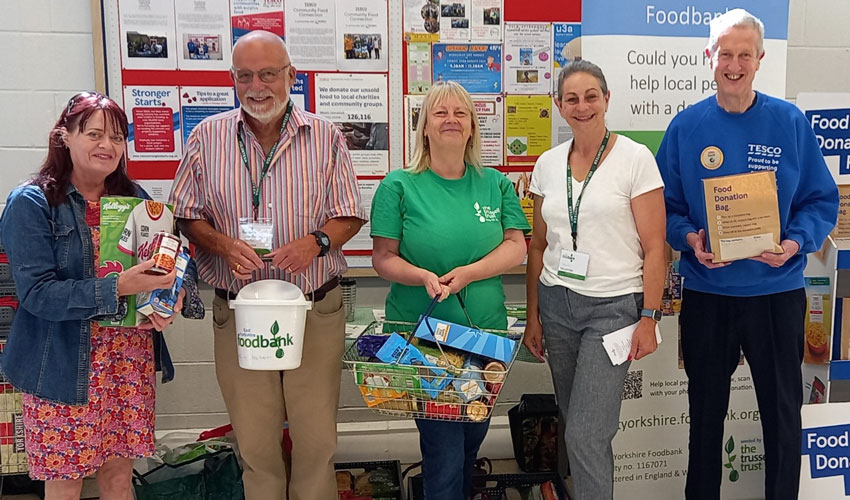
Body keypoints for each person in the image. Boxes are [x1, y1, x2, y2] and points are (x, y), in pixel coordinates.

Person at [169, 30, 366, 500]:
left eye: (269, 74)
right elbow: (185, 213)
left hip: (313, 310)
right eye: (245, 76)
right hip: (239, 312)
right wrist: (219, 244)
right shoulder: (206, 136)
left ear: (291, 76)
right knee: (256, 445)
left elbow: (350, 214)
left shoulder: (325, 136)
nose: (257, 86)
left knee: (316, 443)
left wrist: (315, 243)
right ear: (233, 80)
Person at [656, 9, 839, 500]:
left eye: (744, 54)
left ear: (759, 58)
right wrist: (691, 239)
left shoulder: (790, 122)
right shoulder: (685, 127)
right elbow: (667, 209)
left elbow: (822, 200)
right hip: (708, 294)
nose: (733, 64)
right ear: (708, 58)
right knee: (705, 417)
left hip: (776, 294)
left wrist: (795, 242)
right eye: (724, 54)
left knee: (782, 413)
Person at [0, 92, 199, 500]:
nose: (107, 146)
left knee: (118, 478)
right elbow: (37, 294)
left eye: (117, 137)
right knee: (66, 482)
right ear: (64, 137)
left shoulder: (135, 199)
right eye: (93, 134)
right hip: (62, 362)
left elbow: (179, 257)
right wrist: (119, 287)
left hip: (127, 361)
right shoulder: (33, 203)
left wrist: (173, 294)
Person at [371, 81, 529, 500]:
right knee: (443, 453)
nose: (451, 120)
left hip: (485, 339)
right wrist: (421, 275)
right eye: (440, 113)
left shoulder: (495, 184)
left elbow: (517, 246)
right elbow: (383, 257)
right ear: (424, 126)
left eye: (461, 113)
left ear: (474, 126)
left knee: (470, 443)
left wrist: (471, 272)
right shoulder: (398, 186)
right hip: (423, 344)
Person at [523, 59, 666, 500]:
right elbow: (537, 246)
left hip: (613, 309)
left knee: (586, 433)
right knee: (576, 423)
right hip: (557, 302)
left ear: (606, 100)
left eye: (591, 96)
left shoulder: (635, 159)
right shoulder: (548, 164)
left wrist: (649, 317)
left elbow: (657, 247)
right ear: (559, 105)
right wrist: (534, 317)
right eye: (571, 98)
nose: (581, 106)